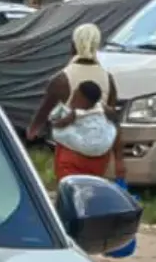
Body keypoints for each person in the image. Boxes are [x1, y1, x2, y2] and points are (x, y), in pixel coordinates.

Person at [27, 21, 122, 183]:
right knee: (92, 196)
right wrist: (119, 159)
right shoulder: (108, 78)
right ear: (97, 45)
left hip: (70, 153)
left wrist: (32, 132)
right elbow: (112, 121)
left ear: (73, 45)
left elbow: (42, 115)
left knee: (71, 197)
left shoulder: (61, 79)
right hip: (99, 155)